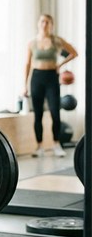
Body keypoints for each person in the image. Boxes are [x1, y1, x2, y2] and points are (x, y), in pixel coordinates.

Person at [23, 14, 78, 157]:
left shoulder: (57, 41)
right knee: (38, 115)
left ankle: (56, 144)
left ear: (51, 24)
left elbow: (74, 53)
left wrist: (60, 64)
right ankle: (39, 146)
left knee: (55, 113)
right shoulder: (32, 43)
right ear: (38, 23)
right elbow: (28, 64)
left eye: (47, 22)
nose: (44, 24)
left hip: (52, 78)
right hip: (37, 78)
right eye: (42, 21)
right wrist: (25, 85)